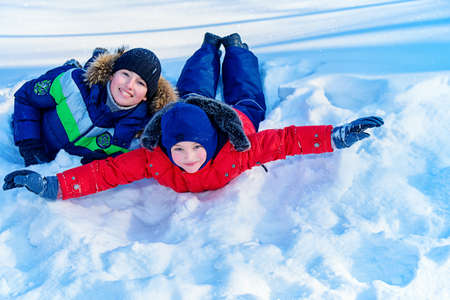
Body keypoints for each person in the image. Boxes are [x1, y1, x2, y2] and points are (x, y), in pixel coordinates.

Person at [3, 32, 384, 200]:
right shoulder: (156, 158)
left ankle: (237, 49)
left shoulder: (241, 148)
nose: (187, 158)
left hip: (233, 118)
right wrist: (53, 187)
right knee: (193, 91)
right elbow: (106, 173)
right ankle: (206, 47)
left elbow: (286, 141)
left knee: (248, 99)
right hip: (189, 114)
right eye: (178, 150)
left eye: (193, 149)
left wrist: (336, 136)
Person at [12, 46, 177, 166]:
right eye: (125, 74)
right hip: (42, 134)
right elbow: (25, 96)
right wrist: (30, 143)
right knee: (80, 74)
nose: (129, 85)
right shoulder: (71, 83)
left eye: (140, 83)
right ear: (112, 74)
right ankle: (82, 62)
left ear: (147, 95)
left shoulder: (138, 133)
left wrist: (99, 162)